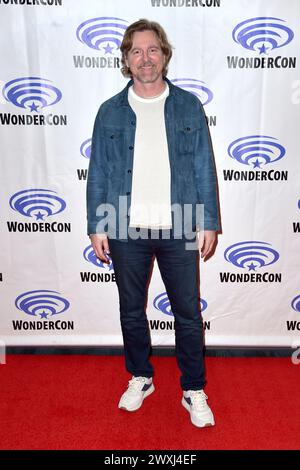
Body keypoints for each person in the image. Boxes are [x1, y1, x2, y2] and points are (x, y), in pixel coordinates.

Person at [87, 19, 220, 428]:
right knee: (131, 310)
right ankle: (141, 376)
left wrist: (209, 221)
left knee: (186, 313)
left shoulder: (188, 106)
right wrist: (97, 223)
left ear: (164, 54)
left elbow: (203, 167)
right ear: (126, 60)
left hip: (180, 222)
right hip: (125, 227)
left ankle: (193, 388)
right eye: (137, 51)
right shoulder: (110, 111)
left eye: (152, 50)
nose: (146, 58)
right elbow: (98, 172)